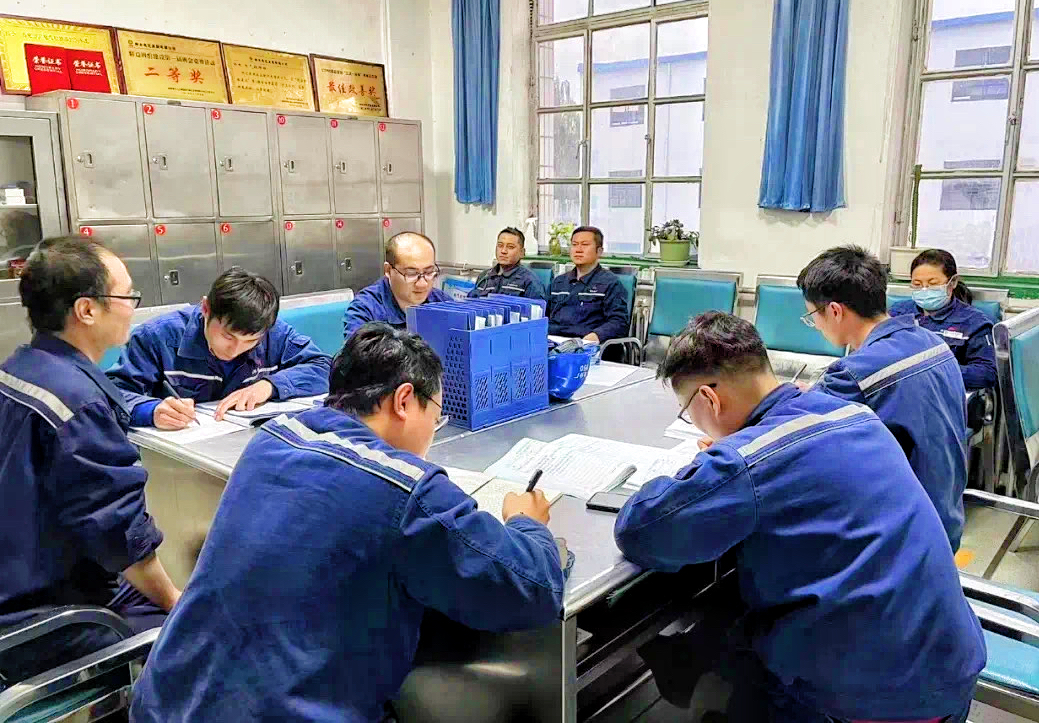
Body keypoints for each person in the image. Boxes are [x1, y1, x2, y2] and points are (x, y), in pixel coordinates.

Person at [130, 323, 568, 723]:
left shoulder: (274, 438)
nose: (433, 431)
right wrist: (527, 523)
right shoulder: (403, 487)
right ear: (403, 401)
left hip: (166, 703)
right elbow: (533, 587)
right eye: (435, 416)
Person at [615, 312, 985, 723]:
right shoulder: (854, 415)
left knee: (735, 660)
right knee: (735, 622)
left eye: (688, 411)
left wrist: (703, 470)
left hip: (880, 702)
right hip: (950, 667)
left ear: (709, 399)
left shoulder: (747, 461)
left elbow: (642, 530)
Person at [0, 236, 180, 683]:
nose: (133, 308)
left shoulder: (19, 369)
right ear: (87, 310)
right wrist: (177, 604)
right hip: (40, 618)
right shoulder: (77, 404)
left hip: (25, 578)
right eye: (127, 296)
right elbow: (121, 537)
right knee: (201, 637)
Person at [797, 246, 968, 551]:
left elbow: (795, 438)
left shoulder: (854, 374)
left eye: (813, 316)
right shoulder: (932, 342)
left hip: (900, 540)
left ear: (835, 311)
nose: (816, 325)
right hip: (945, 519)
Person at [107, 267, 330, 428]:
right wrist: (151, 411)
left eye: (250, 342)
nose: (234, 350)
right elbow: (111, 395)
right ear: (206, 308)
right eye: (227, 336)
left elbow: (324, 366)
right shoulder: (157, 337)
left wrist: (269, 386)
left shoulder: (274, 333)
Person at [889, 249, 997, 391]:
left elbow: (986, 374)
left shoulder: (975, 323)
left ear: (953, 282)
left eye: (933, 284)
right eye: (917, 284)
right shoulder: (898, 313)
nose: (925, 290)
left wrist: (934, 371)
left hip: (942, 392)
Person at [343, 232, 451, 339]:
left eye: (429, 272)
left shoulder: (442, 302)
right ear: (388, 270)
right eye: (411, 274)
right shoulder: (366, 309)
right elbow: (358, 349)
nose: (422, 284)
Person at [547, 226, 629, 344]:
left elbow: (619, 322)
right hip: (553, 342)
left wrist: (596, 335)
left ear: (599, 251)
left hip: (586, 345)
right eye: (574, 245)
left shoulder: (610, 283)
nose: (578, 250)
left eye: (585, 245)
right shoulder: (558, 282)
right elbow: (544, 315)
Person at [467, 227, 546, 300]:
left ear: (522, 252)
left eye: (510, 247)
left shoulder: (530, 281)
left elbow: (537, 309)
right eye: (500, 245)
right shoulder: (484, 277)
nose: (503, 251)